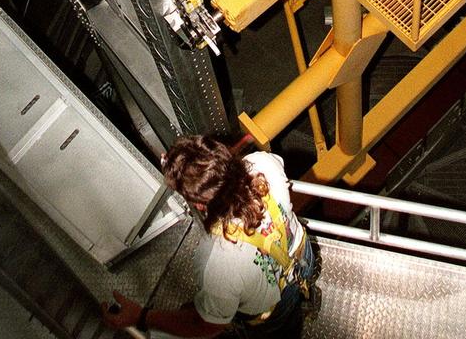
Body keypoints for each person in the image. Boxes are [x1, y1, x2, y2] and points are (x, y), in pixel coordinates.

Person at [102, 135, 319, 338]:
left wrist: (141, 316)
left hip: (276, 306)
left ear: (199, 204)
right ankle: (307, 294)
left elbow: (206, 326)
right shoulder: (263, 163)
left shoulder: (217, 262)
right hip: (302, 255)